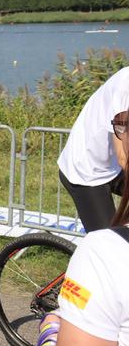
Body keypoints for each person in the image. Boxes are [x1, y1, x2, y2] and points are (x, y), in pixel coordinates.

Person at [24, 109, 129, 346]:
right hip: (84, 171)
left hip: (105, 169)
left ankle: (83, 307)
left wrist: (50, 337)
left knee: (106, 252)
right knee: (105, 243)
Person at [57, 66, 129, 232]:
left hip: (110, 166)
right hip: (85, 171)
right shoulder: (125, 87)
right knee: (109, 240)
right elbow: (123, 157)